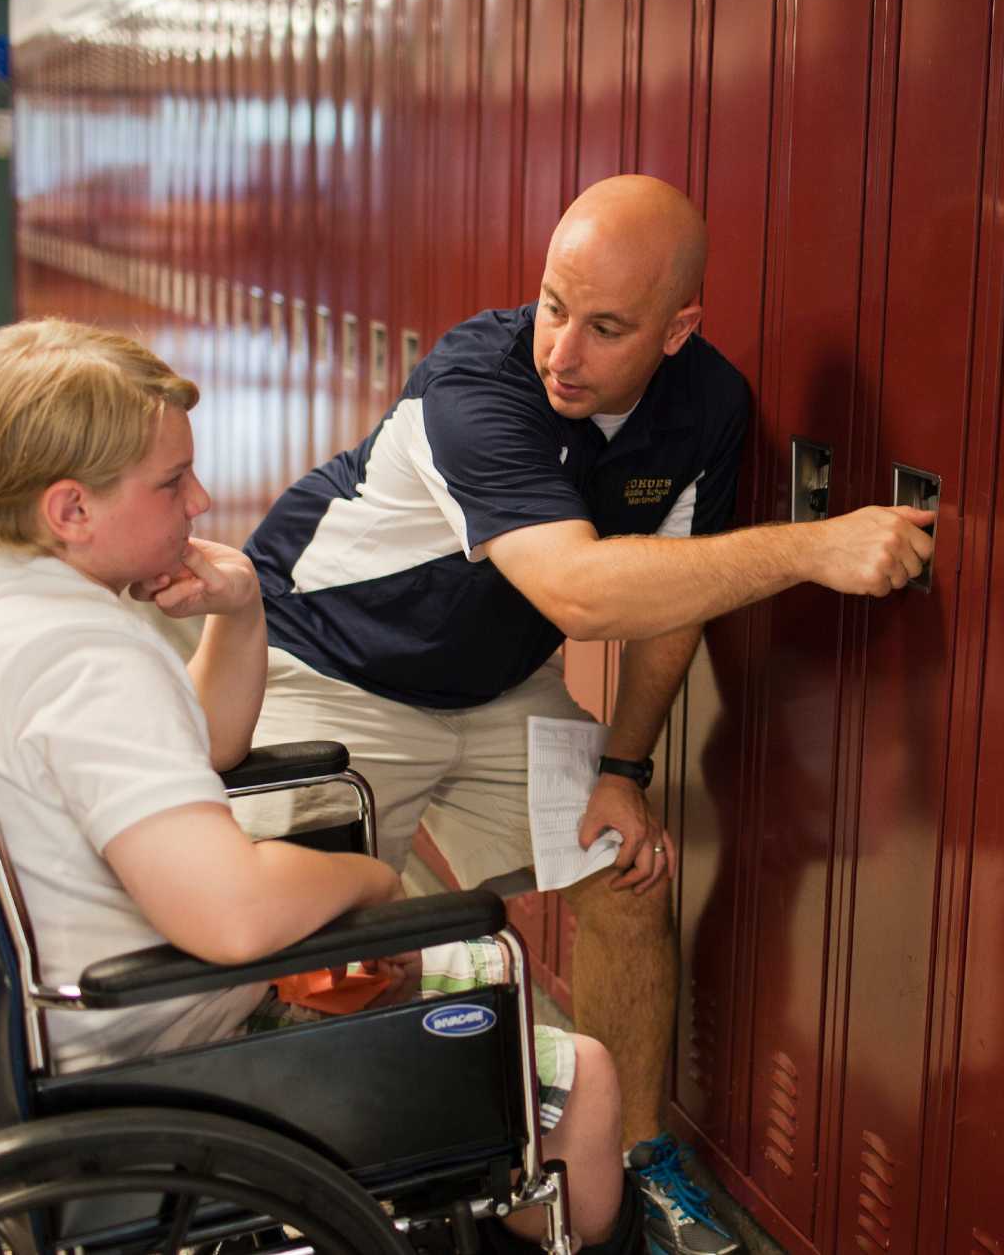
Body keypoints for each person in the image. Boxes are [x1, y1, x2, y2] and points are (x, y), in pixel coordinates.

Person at [244, 173, 935, 1253]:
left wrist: (626, 765)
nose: (560, 350)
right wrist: (814, 547)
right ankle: (293, 1176)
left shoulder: (708, 406)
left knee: (623, 867)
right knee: (295, 940)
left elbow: (674, 597)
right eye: (553, 304)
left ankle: (631, 1161)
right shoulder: (477, 383)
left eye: (605, 327)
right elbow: (579, 592)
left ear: (678, 331)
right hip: (331, 663)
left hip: (492, 687)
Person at [0, 319, 638, 1252]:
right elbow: (232, 920)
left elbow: (194, 748)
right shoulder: (88, 661)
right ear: (70, 509)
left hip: (63, 1046)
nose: (199, 499)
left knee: (441, 983)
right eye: (170, 482)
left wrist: (241, 613)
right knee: (583, 1079)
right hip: (176, 1069)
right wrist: (373, 882)